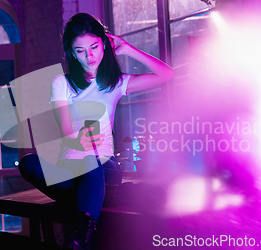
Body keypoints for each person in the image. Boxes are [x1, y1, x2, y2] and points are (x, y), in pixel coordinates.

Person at [18, 13, 174, 250]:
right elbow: (66, 132)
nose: (89, 56)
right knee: (28, 162)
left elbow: (166, 74)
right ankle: (96, 203)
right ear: (71, 52)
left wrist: (128, 48)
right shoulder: (62, 83)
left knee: (91, 162)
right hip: (70, 171)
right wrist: (75, 142)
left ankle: (83, 233)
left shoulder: (116, 83)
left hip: (103, 165)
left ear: (104, 44)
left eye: (94, 47)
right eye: (80, 50)